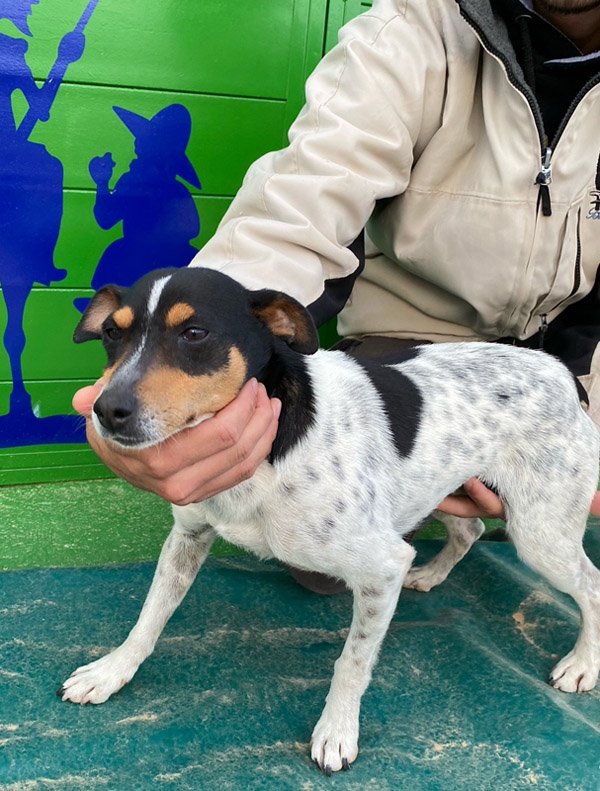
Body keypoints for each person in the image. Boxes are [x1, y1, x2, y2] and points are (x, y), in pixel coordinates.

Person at [73, 0, 600, 591]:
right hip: (417, 329)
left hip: (578, 353)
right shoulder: (411, 31)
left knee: (553, 520)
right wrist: (221, 315)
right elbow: (303, 201)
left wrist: (576, 394)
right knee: (321, 558)